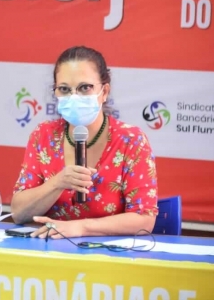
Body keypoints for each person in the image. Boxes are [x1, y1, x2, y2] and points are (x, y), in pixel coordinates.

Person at [10, 46, 158, 239]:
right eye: (64, 89)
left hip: (109, 257)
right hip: (50, 253)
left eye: (84, 88)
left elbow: (145, 219)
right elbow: (18, 213)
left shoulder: (131, 140)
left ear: (104, 91)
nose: (74, 97)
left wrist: (80, 228)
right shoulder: (43, 135)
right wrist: (57, 183)